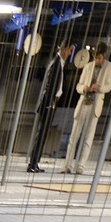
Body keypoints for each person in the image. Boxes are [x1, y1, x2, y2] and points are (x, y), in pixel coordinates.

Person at [62, 43, 111, 175]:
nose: (98, 60)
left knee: (88, 138)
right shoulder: (87, 66)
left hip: (95, 106)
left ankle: (81, 166)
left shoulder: (110, 67)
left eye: (100, 58)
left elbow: (109, 86)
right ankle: (67, 165)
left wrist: (99, 88)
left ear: (104, 57)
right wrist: (85, 88)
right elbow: (78, 86)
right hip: (83, 103)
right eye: (96, 58)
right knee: (74, 136)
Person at [27, 42, 72, 174]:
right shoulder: (56, 63)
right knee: (41, 135)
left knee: (42, 134)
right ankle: (33, 163)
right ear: (64, 49)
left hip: (51, 103)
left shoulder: (58, 63)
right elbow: (49, 86)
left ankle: (35, 162)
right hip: (49, 104)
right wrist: (49, 103)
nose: (70, 53)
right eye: (69, 50)